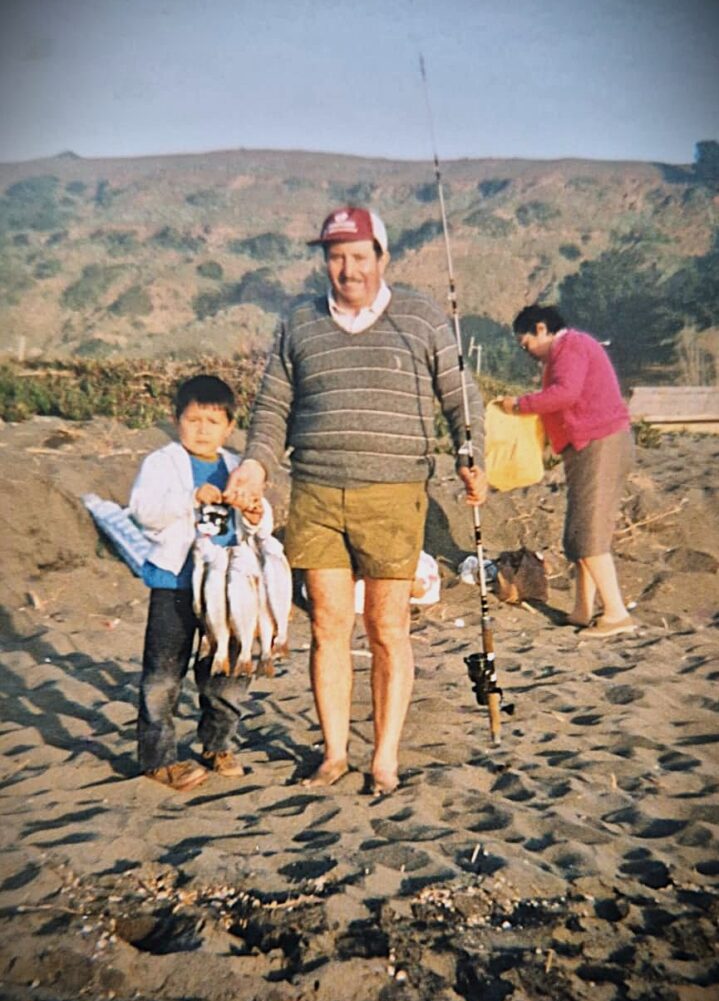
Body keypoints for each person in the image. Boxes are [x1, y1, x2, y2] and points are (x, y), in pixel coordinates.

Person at [225, 206, 486, 794]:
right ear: (325, 261)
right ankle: (335, 754)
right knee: (328, 625)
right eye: (336, 256)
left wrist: (471, 457)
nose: (348, 269)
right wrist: (254, 465)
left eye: (359, 256)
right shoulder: (298, 323)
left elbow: (460, 397)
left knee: (388, 626)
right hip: (316, 490)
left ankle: (384, 760)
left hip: (394, 493)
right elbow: (272, 410)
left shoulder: (420, 318)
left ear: (382, 258)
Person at [130, 374, 255, 791]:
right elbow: (143, 512)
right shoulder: (161, 463)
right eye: (194, 419)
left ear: (230, 427)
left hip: (226, 587)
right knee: (163, 676)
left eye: (213, 421)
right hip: (174, 582)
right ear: (176, 419)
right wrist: (190, 498)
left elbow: (258, 524)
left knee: (229, 672)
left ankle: (216, 743)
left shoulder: (237, 466)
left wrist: (255, 512)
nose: (203, 429)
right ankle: (158, 757)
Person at [499, 304, 635, 638]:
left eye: (525, 342)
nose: (526, 351)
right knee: (584, 530)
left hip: (598, 442)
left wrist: (519, 404)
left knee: (586, 532)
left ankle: (616, 613)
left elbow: (565, 393)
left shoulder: (570, 347)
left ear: (541, 329)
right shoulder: (573, 347)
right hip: (593, 443)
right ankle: (582, 609)